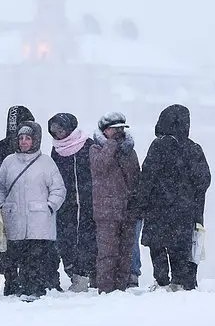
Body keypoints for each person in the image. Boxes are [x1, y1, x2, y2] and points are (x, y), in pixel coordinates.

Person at [139, 104, 211, 291]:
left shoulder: (158, 146)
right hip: (186, 210)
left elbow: (147, 177)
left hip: (158, 208)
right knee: (181, 246)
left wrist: (141, 203)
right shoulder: (194, 148)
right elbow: (204, 179)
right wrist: (189, 196)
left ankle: (162, 281)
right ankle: (181, 281)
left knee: (157, 245)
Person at [0, 122, 66, 301]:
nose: (24, 142)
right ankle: (13, 289)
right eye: (21, 138)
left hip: (39, 221)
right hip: (14, 219)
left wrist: (50, 206)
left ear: (36, 140)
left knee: (35, 259)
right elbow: (0, 187)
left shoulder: (46, 162)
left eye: (28, 138)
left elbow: (58, 189)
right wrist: (2, 205)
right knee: (13, 258)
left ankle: (34, 289)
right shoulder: (9, 161)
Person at [89, 112, 140, 294]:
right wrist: (110, 144)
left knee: (125, 252)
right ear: (104, 130)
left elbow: (136, 177)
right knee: (107, 253)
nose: (119, 132)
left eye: (121, 129)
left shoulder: (129, 151)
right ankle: (106, 290)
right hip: (106, 212)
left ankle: (121, 289)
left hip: (127, 210)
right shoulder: (95, 149)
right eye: (114, 129)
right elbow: (100, 166)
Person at [48, 113, 97, 292]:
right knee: (66, 239)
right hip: (66, 203)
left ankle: (86, 275)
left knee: (88, 238)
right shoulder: (56, 150)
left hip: (87, 201)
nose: (58, 133)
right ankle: (73, 273)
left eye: (61, 129)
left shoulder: (88, 145)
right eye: (54, 130)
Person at [0, 105, 36, 295]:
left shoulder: (1, 147)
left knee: (8, 245)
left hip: (7, 204)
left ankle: (11, 282)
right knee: (21, 245)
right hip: (17, 204)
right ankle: (18, 281)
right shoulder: (31, 147)